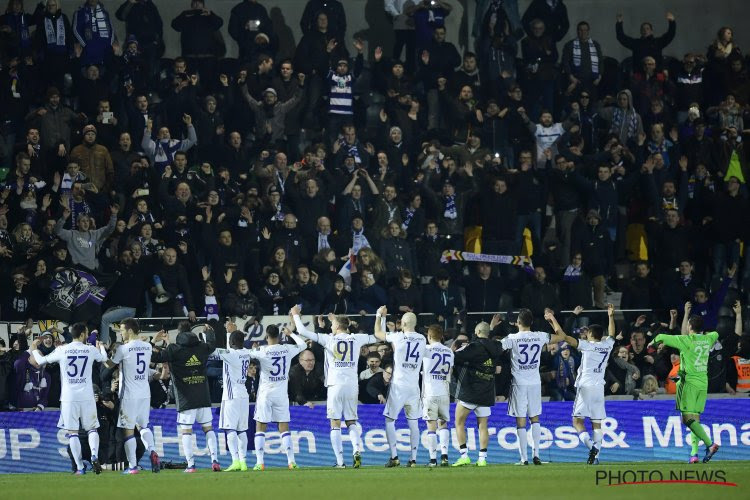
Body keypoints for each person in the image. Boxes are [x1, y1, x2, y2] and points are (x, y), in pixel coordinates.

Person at [292, 305, 375, 468]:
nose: (331, 326)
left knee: (335, 423)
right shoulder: (357, 338)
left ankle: (340, 461)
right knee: (351, 421)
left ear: (337, 326)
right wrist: (380, 317)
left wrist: (295, 315)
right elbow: (378, 336)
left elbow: (302, 330)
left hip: (335, 385)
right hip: (352, 385)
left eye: (333, 324)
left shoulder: (329, 339)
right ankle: (356, 450)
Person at [32, 322, 109, 475]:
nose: (87, 336)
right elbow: (104, 359)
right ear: (81, 334)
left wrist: (34, 349)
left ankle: (80, 467)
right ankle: (94, 454)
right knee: (92, 428)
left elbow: (40, 362)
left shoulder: (62, 349)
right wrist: (100, 346)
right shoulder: (90, 349)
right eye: (86, 333)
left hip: (69, 397)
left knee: (72, 432)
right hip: (87, 395)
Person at [549, 305, 616, 465]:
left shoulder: (587, 345)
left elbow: (564, 337)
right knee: (596, 423)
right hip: (600, 388)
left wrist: (553, 319)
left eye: (587, 333)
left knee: (577, 422)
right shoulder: (607, 345)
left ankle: (592, 447)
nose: (585, 335)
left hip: (586, 387)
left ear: (591, 334)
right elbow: (612, 334)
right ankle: (596, 457)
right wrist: (611, 316)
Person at [650, 316, 721, 464]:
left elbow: (661, 337)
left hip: (689, 383)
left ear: (689, 326)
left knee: (687, 419)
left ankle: (710, 444)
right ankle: (694, 453)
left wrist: (652, 342)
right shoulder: (708, 339)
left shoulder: (686, 340)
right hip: (703, 383)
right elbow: (716, 334)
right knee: (695, 419)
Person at [151, 323, 218, 473]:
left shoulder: (174, 349)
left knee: (186, 432)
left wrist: (153, 341)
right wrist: (210, 333)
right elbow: (212, 345)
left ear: (179, 333)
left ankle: (191, 465)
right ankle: (215, 460)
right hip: (203, 396)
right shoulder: (201, 347)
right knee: (208, 429)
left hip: (185, 398)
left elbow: (154, 356)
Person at [502, 308, 566, 465]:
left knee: (520, 421)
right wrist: (552, 319)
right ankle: (536, 455)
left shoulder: (512, 338)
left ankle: (524, 459)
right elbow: (562, 337)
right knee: (535, 419)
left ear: (518, 322)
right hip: (535, 383)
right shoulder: (540, 336)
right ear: (531, 322)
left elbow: (496, 347)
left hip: (519, 383)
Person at [244, 321, 307, 470]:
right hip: (281, 394)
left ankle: (260, 462)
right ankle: (291, 461)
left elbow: (245, 352)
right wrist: (291, 334)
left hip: (265, 393)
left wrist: (254, 348)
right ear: (278, 336)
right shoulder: (286, 349)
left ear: (266, 336)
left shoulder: (262, 350)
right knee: (284, 426)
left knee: (261, 425)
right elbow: (303, 345)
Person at [103, 318, 159, 474]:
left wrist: (101, 350)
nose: (121, 333)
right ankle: (153, 451)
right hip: (144, 394)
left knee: (128, 431)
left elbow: (108, 365)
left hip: (129, 395)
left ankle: (133, 466)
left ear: (129, 330)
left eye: (121, 330)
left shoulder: (123, 349)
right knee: (143, 426)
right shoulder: (147, 347)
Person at [374, 305, 425, 468]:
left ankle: (394, 457)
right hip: (414, 387)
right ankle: (413, 459)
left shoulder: (398, 337)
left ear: (402, 324)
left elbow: (378, 334)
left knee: (389, 420)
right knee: (414, 423)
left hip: (398, 386)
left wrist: (379, 316)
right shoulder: (422, 339)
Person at [451, 319, 503, 467]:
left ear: (477, 332)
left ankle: (464, 455)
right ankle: (482, 459)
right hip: (487, 392)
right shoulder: (496, 347)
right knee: (483, 426)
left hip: (471, 391)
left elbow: (456, 357)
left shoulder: (474, 347)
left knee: (459, 422)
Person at [422, 324, 454, 467]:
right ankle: (445, 456)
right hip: (444, 391)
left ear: (429, 336)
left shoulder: (425, 349)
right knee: (443, 423)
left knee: (431, 425)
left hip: (430, 392)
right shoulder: (449, 351)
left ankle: (433, 459)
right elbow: (450, 372)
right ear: (441, 336)